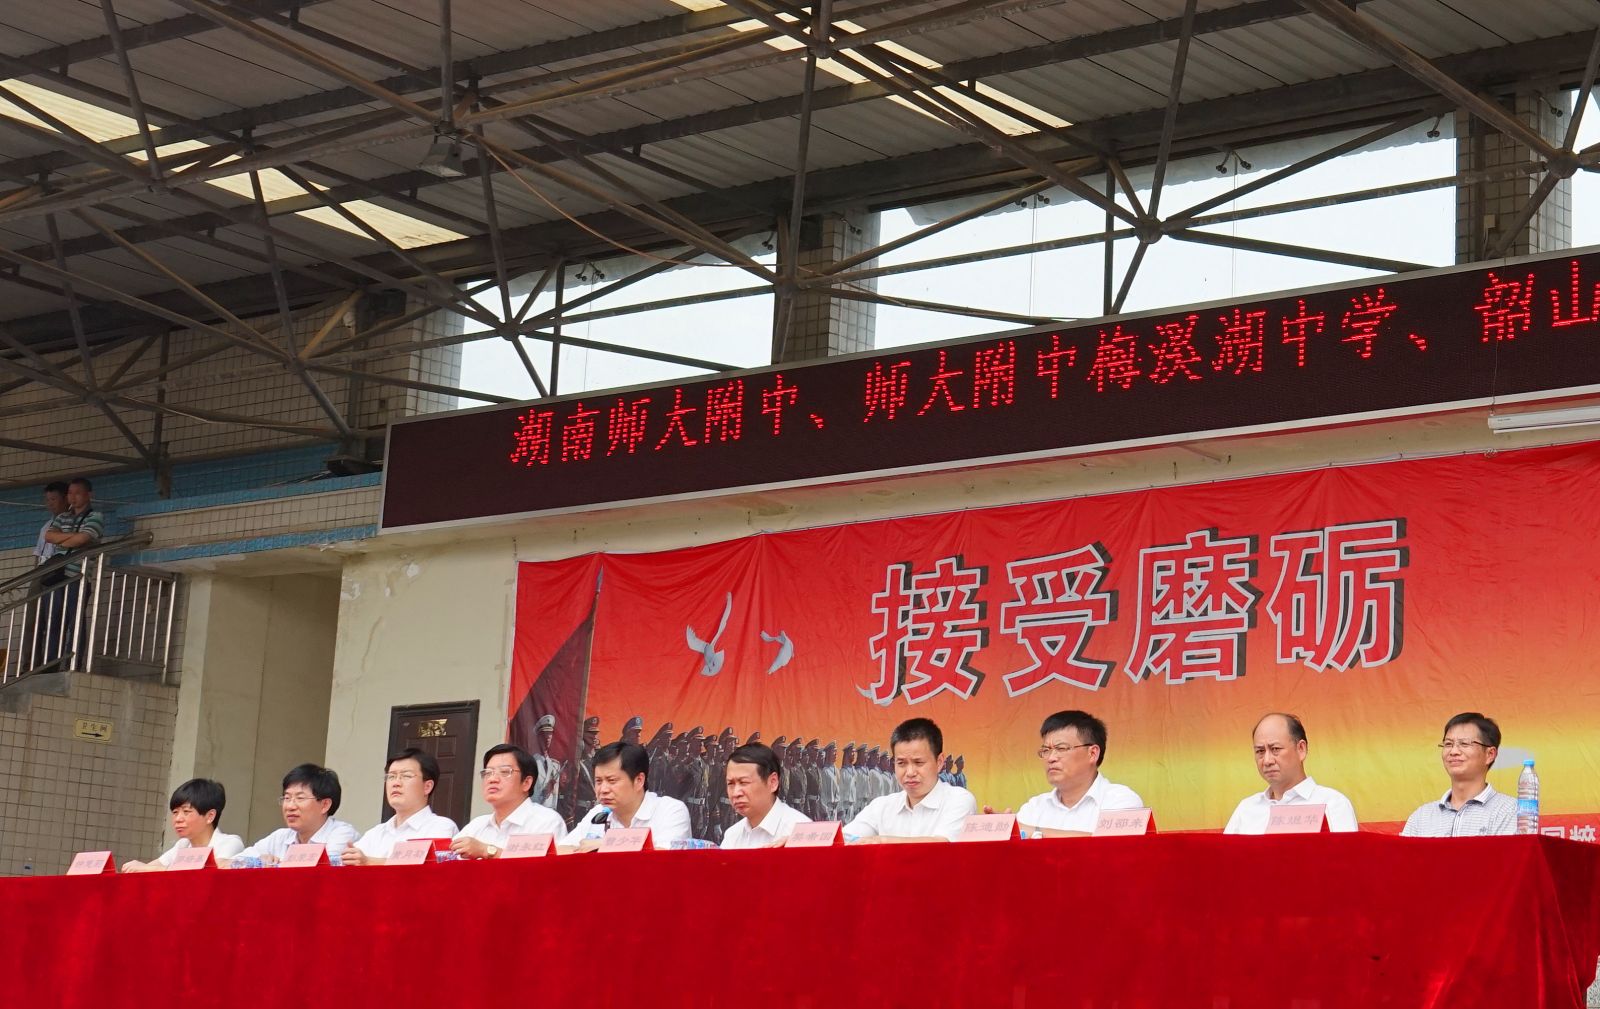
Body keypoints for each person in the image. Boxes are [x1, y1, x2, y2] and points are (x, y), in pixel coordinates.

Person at [843, 718, 977, 843]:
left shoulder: (958, 799)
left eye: (918, 762)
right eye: (901, 763)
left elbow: (941, 844)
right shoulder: (881, 806)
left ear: (939, 762)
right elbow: (844, 839)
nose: (910, 772)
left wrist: (881, 841)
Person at [1015, 710, 1144, 836]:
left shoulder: (1122, 800)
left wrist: (1035, 832)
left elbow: (1109, 845)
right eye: (1046, 750)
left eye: (1061, 748)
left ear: (1092, 753)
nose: (1051, 758)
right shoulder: (1034, 808)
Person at [1224, 713, 1358, 834]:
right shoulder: (1246, 809)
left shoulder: (1333, 803)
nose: (1267, 760)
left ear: (1301, 749)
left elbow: (1345, 853)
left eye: (1275, 749)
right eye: (1260, 751)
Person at [1400, 712, 1517, 837]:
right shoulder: (1421, 817)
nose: (1453, 751)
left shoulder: (1510, 811)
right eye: (1448, 744)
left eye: (1464, 744)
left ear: (1490, 754)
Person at [561, 741, 691, 849]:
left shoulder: (670, 810)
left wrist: (603, 845)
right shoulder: (598, 813)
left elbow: (663, 857)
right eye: (598, 781)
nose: (603, 789)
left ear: (639, 780)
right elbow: (561, 850)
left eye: (612, 781)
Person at [451, 743, 568, 859]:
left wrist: (487, 851)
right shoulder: (476, 826)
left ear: (526, 783)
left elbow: (543, 868)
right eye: (488, 773)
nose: (492, 779)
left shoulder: (546, 821)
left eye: (505, 772)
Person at [342, 749, 458, 865]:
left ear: (427, 787)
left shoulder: (441, 827)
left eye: (406, 776)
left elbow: (423, 869)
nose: (396, 783)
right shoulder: (374, 834)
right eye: (391, 777)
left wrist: (369, 862)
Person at [230, 764, 359, 865]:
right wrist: (257, 861)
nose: (290, 806)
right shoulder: (280, 837)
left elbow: (321, 870)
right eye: (287, 798)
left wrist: (275, 866)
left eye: (300, 798)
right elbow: (231, 862)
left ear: (325, 805)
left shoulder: (342, 834)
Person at [38, 477, 105, 666]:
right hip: (57, 575)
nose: (72, 497)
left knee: (74, 622)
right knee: (53, 621)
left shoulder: (95, 516)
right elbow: (49, 536)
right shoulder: (62, 517)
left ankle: (72, 662)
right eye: (70, 493)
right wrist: (73, 538)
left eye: (77, 493)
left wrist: (65, 539)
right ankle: (51, 663)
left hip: (78, 577)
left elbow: (83, 539)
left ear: (88, 495)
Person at [121, 778, 244, 872]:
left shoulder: (230, 843)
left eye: (186, 812)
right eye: (175, 812)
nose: (178, 819)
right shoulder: (183, 844)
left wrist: (148, 869)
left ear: (210, 816)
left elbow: (203, 874)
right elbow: (151, 867)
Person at [722, 742, 810, 848]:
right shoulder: (732, 836)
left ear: (772, 782)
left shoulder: (800, 832)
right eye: (730, 784)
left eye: (744, 782)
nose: (736, 793)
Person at [530, 714, 563, 811]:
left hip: (549, 812)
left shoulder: (555, 765)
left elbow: (554, 796)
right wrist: (544, 793)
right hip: (534, 811)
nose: (548, 737)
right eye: (545, 734)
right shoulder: (530, 763)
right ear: (538, 737)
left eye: (550, 734)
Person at [32, 482, 67, 567]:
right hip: (44, 570)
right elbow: (38, 555)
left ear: (65, 499)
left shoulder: (70, 523)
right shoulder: (45, 527)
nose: (50, 504)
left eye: (53, 499)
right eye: (48, 500)